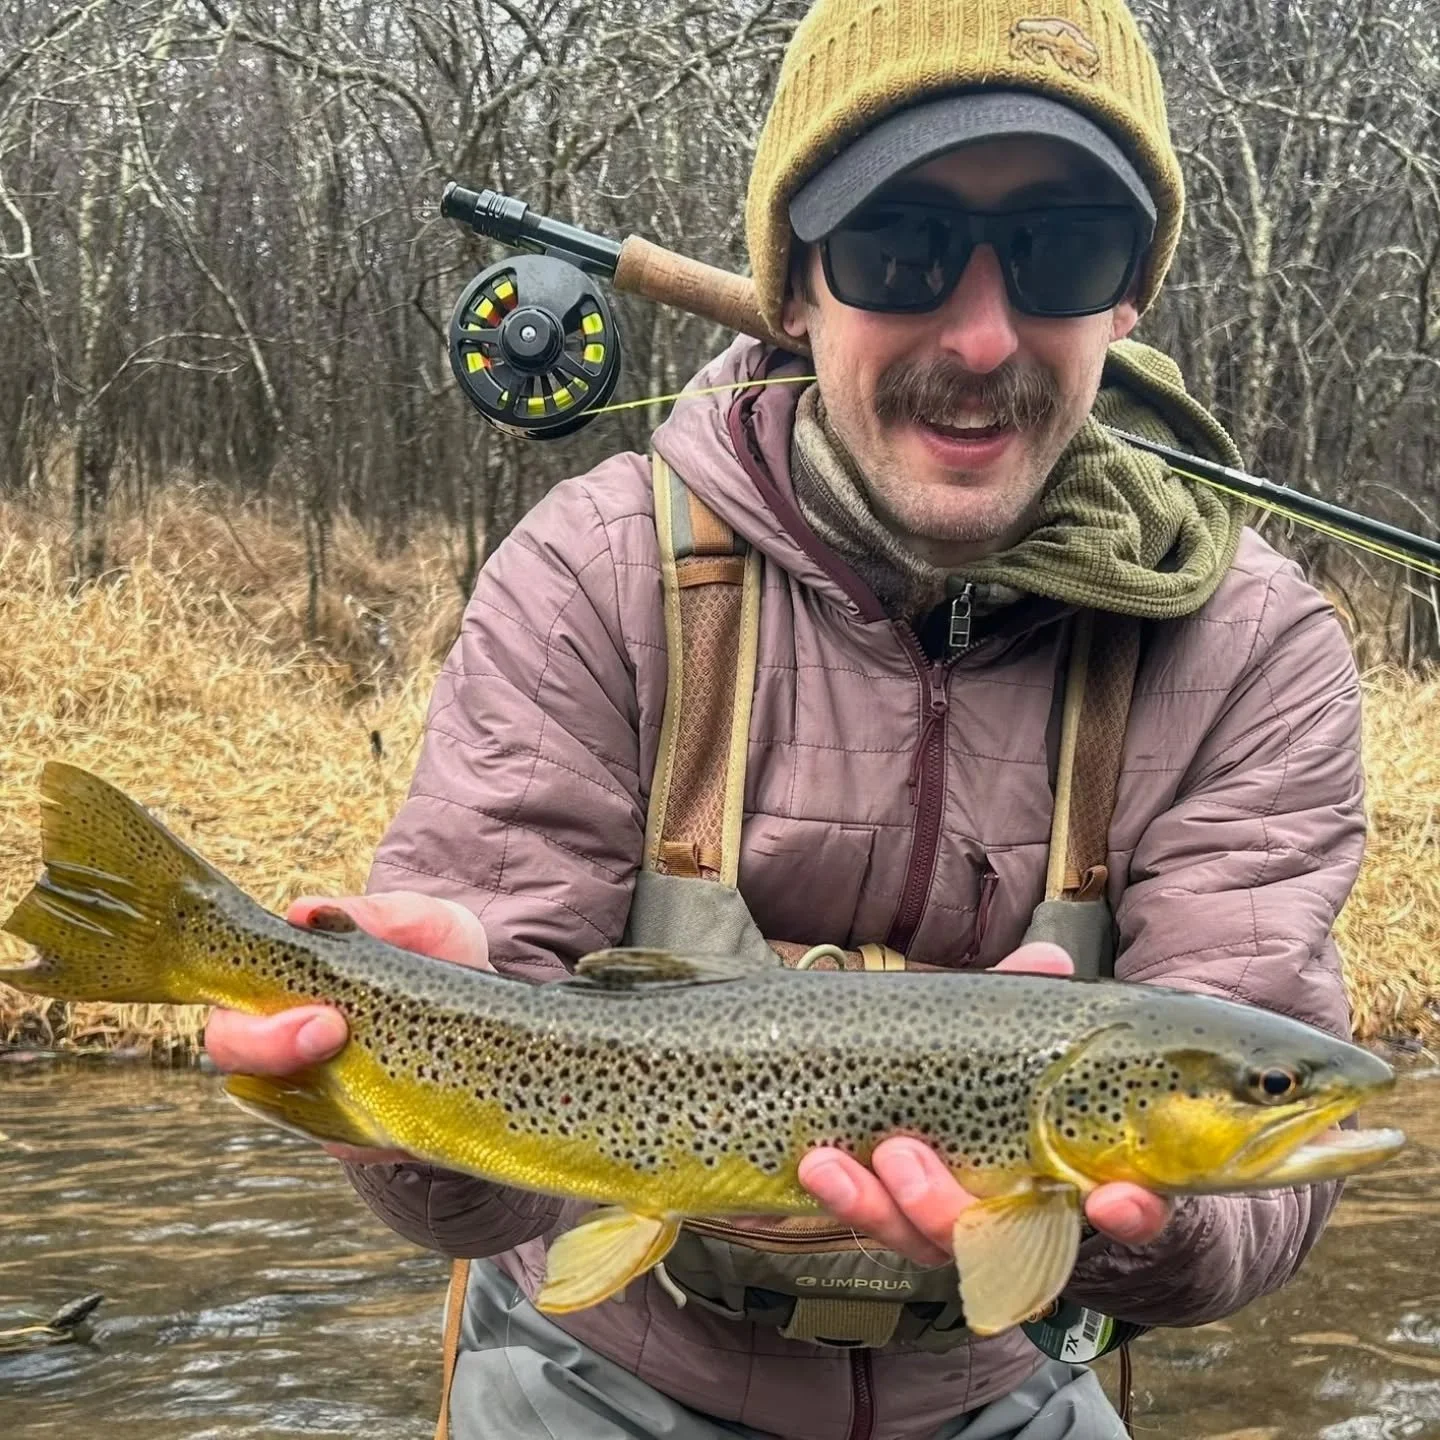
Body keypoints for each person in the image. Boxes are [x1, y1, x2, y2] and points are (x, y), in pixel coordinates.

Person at [204, 0, 1366, 1434]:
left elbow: (1257, 1207)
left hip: (1008, 1379)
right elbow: (467, 1202)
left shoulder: (1251, 648)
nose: (983, 336)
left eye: (1064, 250)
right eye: (899, 248)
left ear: (1128, 298)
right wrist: (400, 1071)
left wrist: (1131, 1221)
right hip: (602, 1361)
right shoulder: (594, 572)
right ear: (795, 286)